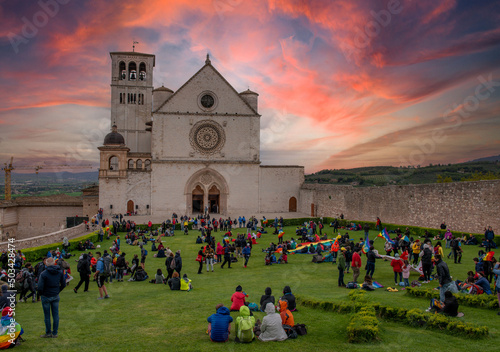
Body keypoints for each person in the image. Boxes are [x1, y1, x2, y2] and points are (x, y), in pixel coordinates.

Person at [37, 257, 66, 338]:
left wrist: (41, 294)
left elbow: (40, 287)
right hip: (55, 295)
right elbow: (63, 284)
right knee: (55, 314)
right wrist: (57, 291)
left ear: (46, 263)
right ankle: (55, 332)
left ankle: (48, 332)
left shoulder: (44, 274)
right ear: (54, 263)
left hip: (46, 295)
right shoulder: (59, 272)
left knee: (47, 315)